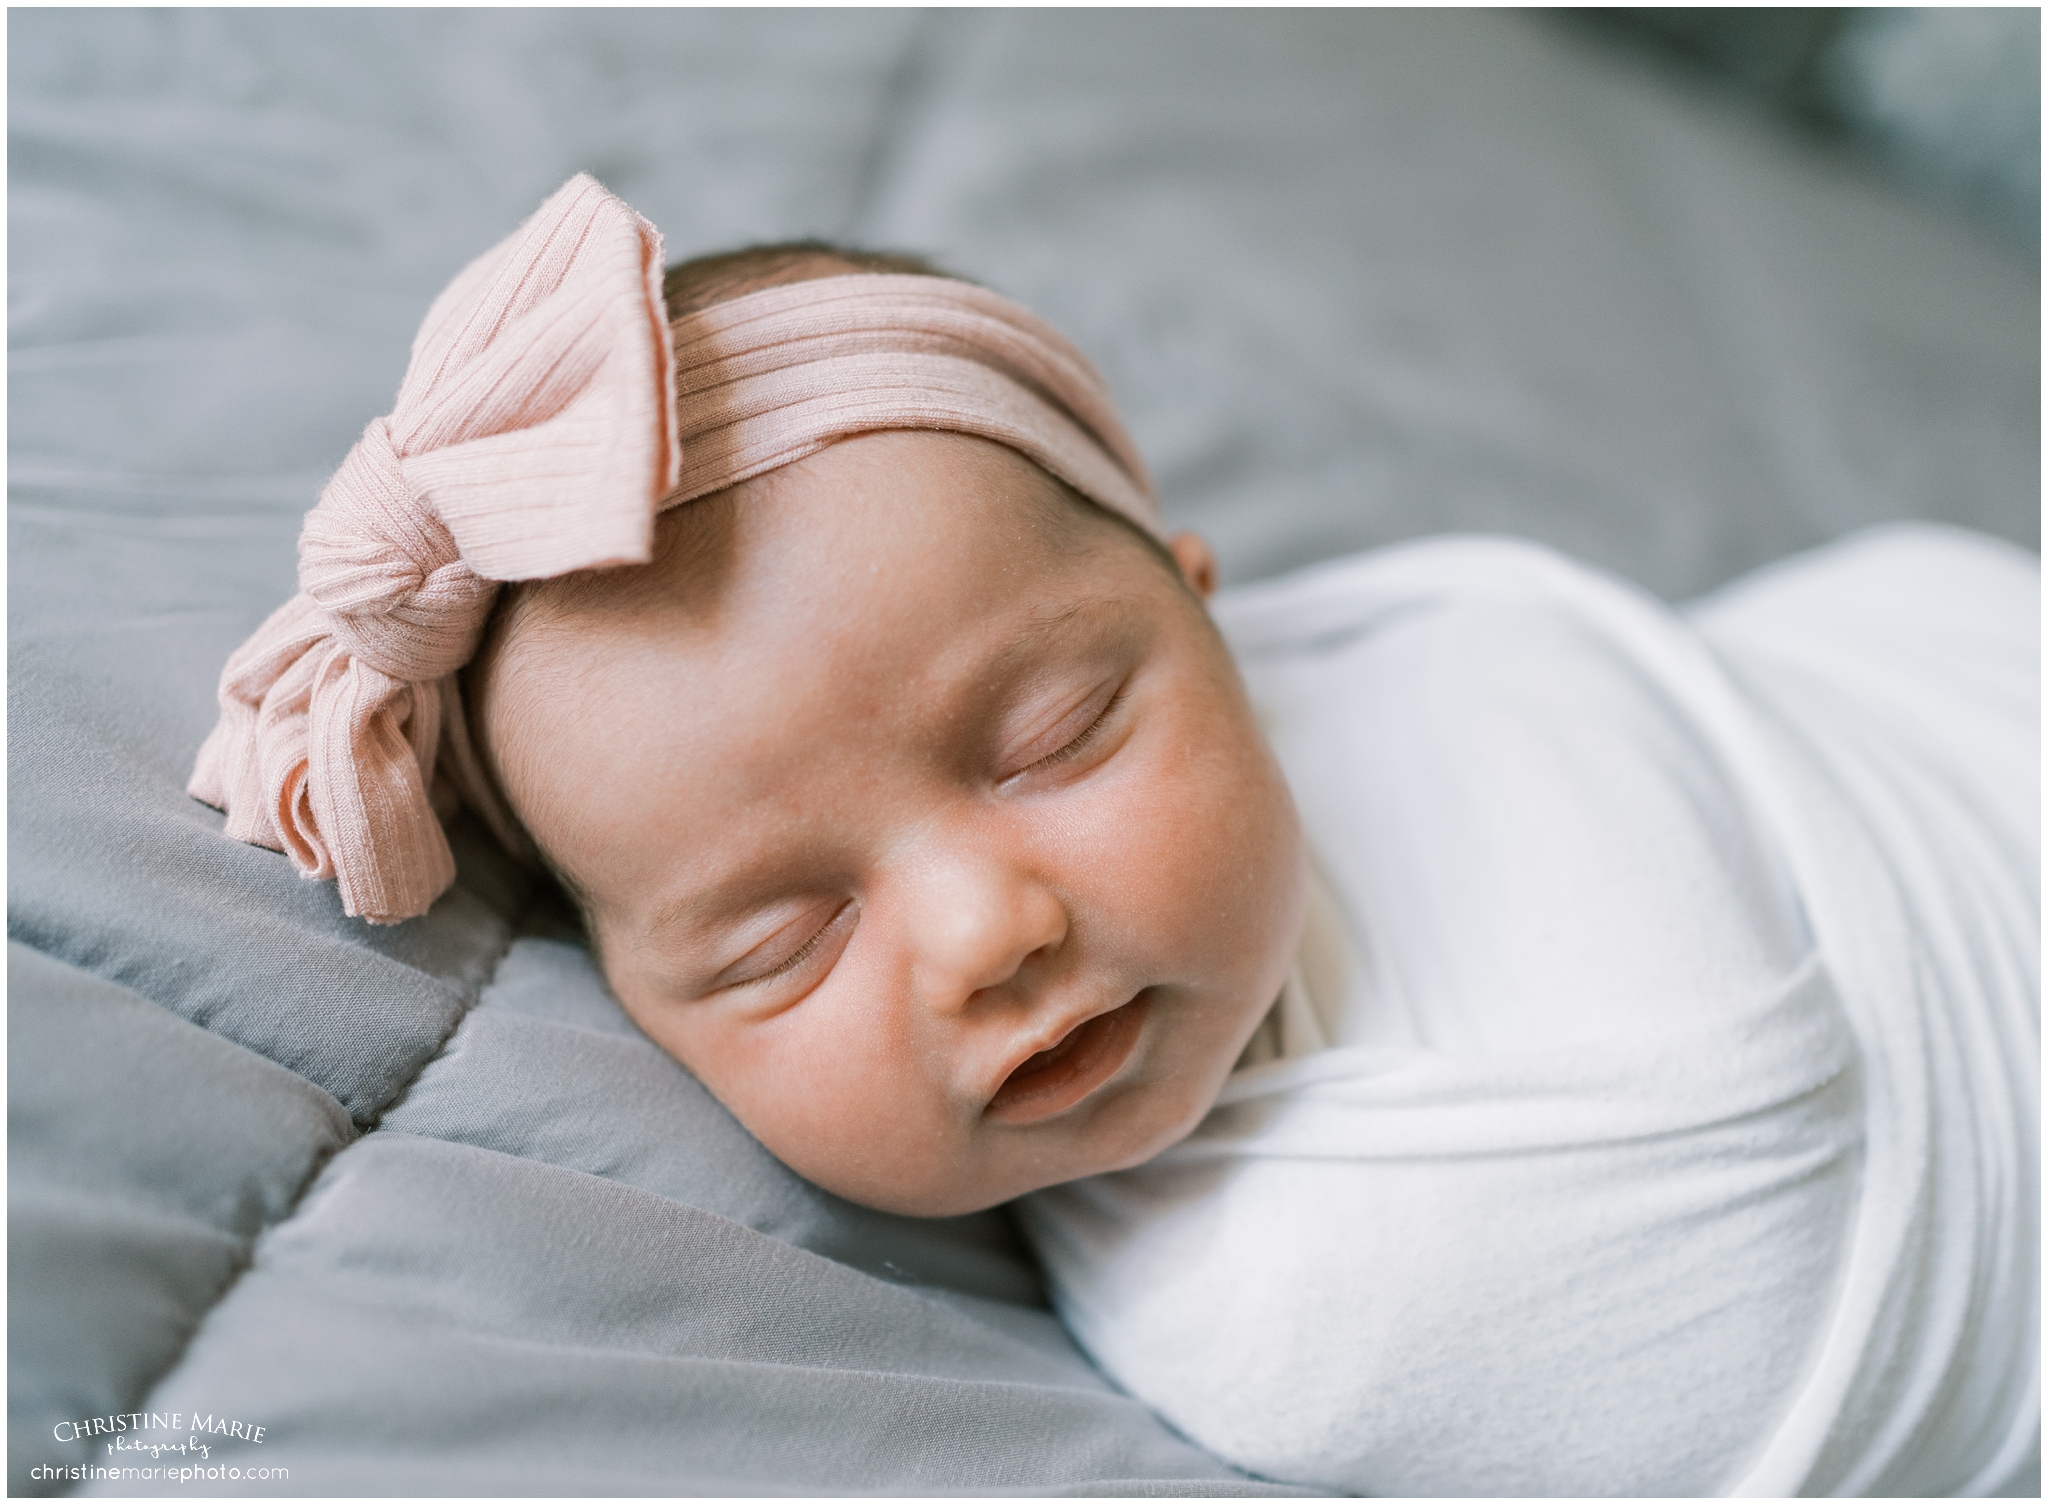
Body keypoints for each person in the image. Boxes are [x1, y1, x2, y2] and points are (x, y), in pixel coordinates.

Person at [191, 175, 2038, 1495]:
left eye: (1058, 735)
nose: (988, 928)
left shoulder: (1471, 683)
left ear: (1214, 615)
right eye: (781, 939)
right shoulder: (1311, 1315)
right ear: (634, 1006)